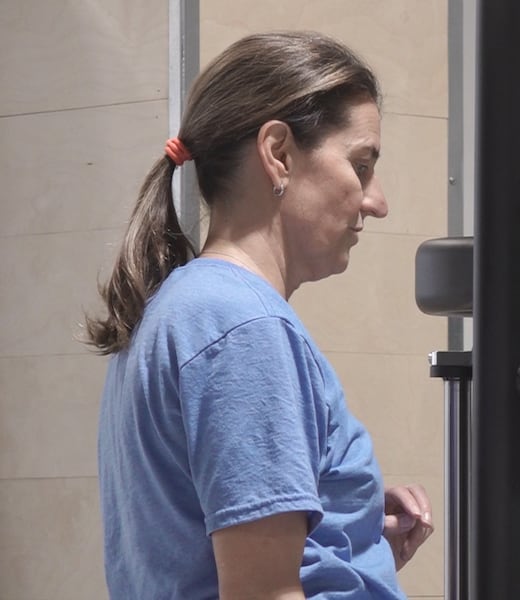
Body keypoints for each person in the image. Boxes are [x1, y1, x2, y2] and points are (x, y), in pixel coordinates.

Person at [84, 31, 433, 599]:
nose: (377, 202)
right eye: (361, 165)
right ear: (278, 153)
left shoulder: (186, 308)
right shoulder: (240, 326)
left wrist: (350, 537)